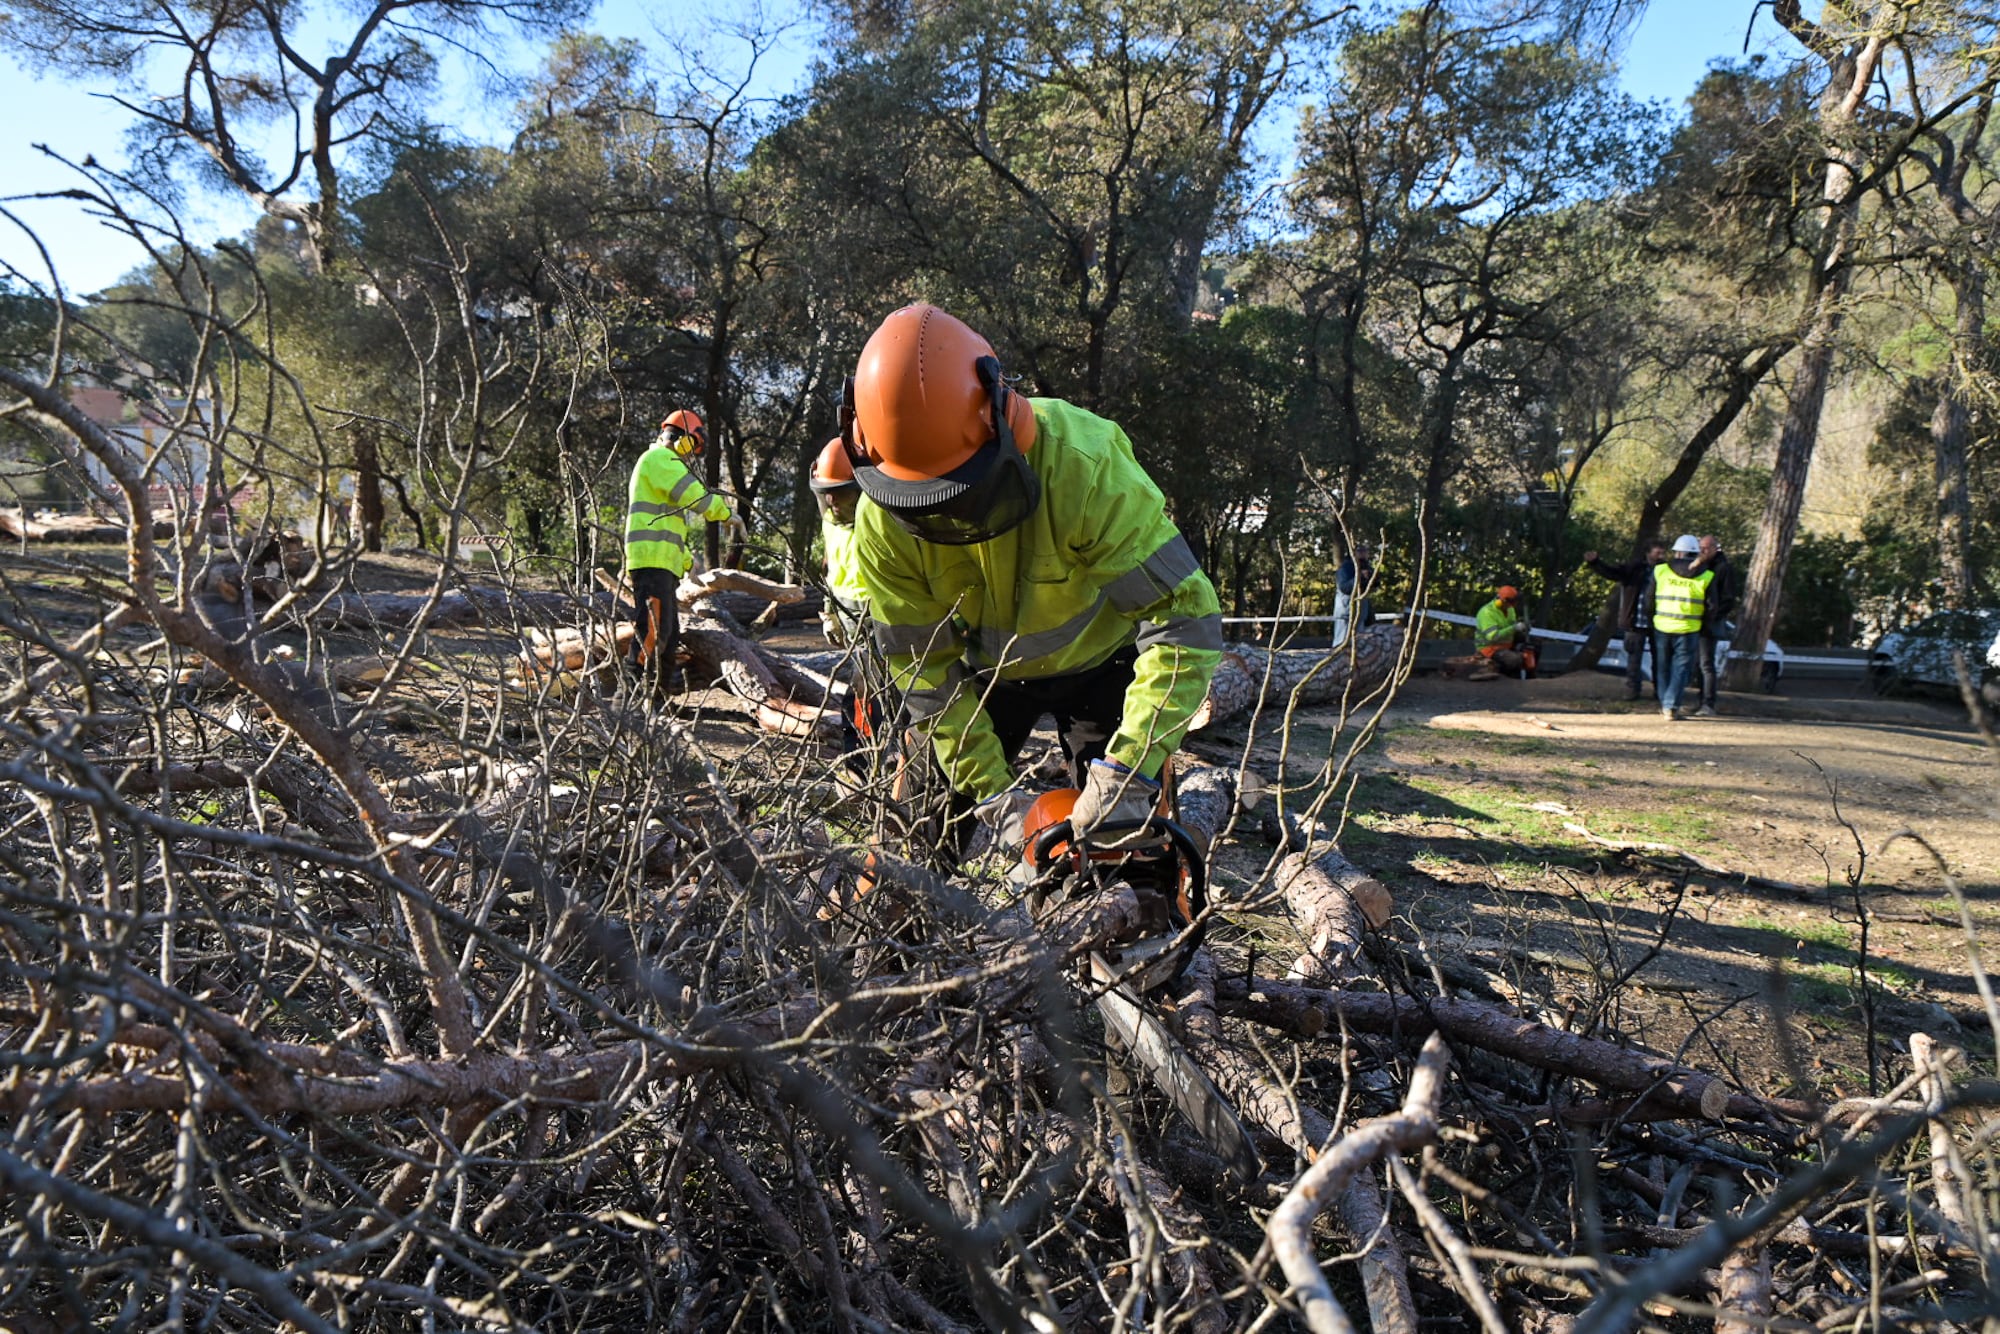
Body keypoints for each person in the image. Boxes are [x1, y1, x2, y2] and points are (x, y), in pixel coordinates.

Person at [843, 303, 1223, 855]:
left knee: (1127, 847)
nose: (949, 518)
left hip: (1102, 666)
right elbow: (924, 672)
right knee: (916, 849)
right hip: (978, 681)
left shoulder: (1084, 465)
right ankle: (904, 934)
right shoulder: (881, 520)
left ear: (1006, 424)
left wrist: (1130, 767)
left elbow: (1184, 619)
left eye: (962, 493)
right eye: (927, 505)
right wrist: (993, 795)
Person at [625, 409, 733, 696]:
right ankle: (628, 700)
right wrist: (726, 514)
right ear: (683, 439)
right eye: (692, 448)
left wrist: (685, 560)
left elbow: (668, 521)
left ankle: (656, 699)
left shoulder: (662, 466)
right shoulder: (659, 459)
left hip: (661, 563)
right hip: (651, 562)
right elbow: (693, 495)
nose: (690, 457)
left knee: (668, 636)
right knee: (651, 631)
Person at [1583, 542, 1666, 700]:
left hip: (1658, 621)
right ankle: (1632, 691)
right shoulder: (1634, 569)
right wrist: (1595, 563)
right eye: (1658, 553)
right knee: (1634, 659)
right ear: (1648, 553)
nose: (1661, 556)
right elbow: (1612, 572)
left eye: (1663, 553)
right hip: (1635, 621)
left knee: (1660, 659)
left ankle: (1660, 691)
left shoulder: (1666, 571)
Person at [809, 438, 869, 647]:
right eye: (828, 494)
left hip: (880, 612)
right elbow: (831, 570)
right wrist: (829, 613)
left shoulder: (880, 522)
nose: (833, 502)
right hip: (845, 610)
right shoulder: (830, 522)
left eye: (841, 494)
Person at [1651, 534, 1714, 721]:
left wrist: (1650, 620)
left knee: (1662, 668)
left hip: (1662, 626)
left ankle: (1666, 705)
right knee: (1680, 669)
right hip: (1689, 628)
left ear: (1677, 552)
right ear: (1695, 553)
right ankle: (1671, 705)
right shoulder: (1707, 575)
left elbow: (1648, 599)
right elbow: (1712, 606)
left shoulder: (1661, 571)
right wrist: (1705, 626)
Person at [1693, 534, 1737, 716]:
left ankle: (1708, 703)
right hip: (1695, 620)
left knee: (1706, 664)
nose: (1702, 551)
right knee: (1697, 664)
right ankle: (1700, 701)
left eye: (1705, 548)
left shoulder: (1723, 568)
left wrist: (1713, 616)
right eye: (1700, 548)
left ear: (1714, 548)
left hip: (1710, 623)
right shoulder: (1700, 566)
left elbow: (1728, 598)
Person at [1472, 585, 1535, 678]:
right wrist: (1514, 628)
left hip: (1505, 643)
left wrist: (1523, 628)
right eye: (1511, 603)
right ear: (1502, 601)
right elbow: (1493, 637)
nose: (1513, 606)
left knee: (1535, 643)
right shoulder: (1487, 613)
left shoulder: (1510, 609)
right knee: (1514, 660)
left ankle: (1530, 676)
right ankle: (1504, 675)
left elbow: (1511, 626)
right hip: (1489, 648)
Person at [1334, 541, 1376, 645]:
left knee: (1359, 646)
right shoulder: (1345, 568)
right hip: (1346, 613)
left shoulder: (1367, 567)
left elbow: (1373, 587)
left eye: (1365, 551)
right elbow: (1344, 587)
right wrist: (1359, 577)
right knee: (1342, 644)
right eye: (1360, 551)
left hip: (1361, 614)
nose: (1363, 554)